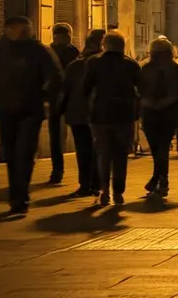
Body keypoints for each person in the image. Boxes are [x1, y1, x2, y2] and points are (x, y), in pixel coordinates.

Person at [0, 16, 63, 214]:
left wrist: (46, 97)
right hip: (6, 109)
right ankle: (16, 195)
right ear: (9, 30)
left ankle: (20, 197)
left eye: (27, 29)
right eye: (21, 29)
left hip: (31, 110)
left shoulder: (39, 50)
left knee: (24, 153)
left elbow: (55, 77)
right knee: (11, 154)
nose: (26, 33)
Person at [82, 31, 142, 206]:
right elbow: (141, 87)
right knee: (121, 154)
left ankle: (104, 191)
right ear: (122, 46)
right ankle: (118, 192)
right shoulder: (130, 64)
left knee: (103, 153)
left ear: (104, 45)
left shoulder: (93, 62)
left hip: (100, 114)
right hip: (124, 115)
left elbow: (86, 88)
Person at [138, 38, 178, 197]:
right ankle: (160, 179)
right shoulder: (175, 69)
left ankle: (160, 179)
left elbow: (139, 90)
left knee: (157, 147)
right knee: (161, 147)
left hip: (150, 113)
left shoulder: (146, 68)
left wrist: (148, 102)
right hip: (169, 113)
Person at [59, 29, 105, 197]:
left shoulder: (75, 65)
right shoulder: (106, 64)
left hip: (77, 113)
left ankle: (85, 184)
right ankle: (98, 183)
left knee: (83, 148)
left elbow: (65, 90)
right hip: (100, 114)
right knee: (100, 148)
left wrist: (61, 109)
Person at [48, 23, 79, 185]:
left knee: (75, 134)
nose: (68, 38)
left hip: (70, 98)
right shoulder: (49, 52)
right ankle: (57, 170)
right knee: (56, 136)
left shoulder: (74, 52)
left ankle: (60, 170)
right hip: (57, 97)